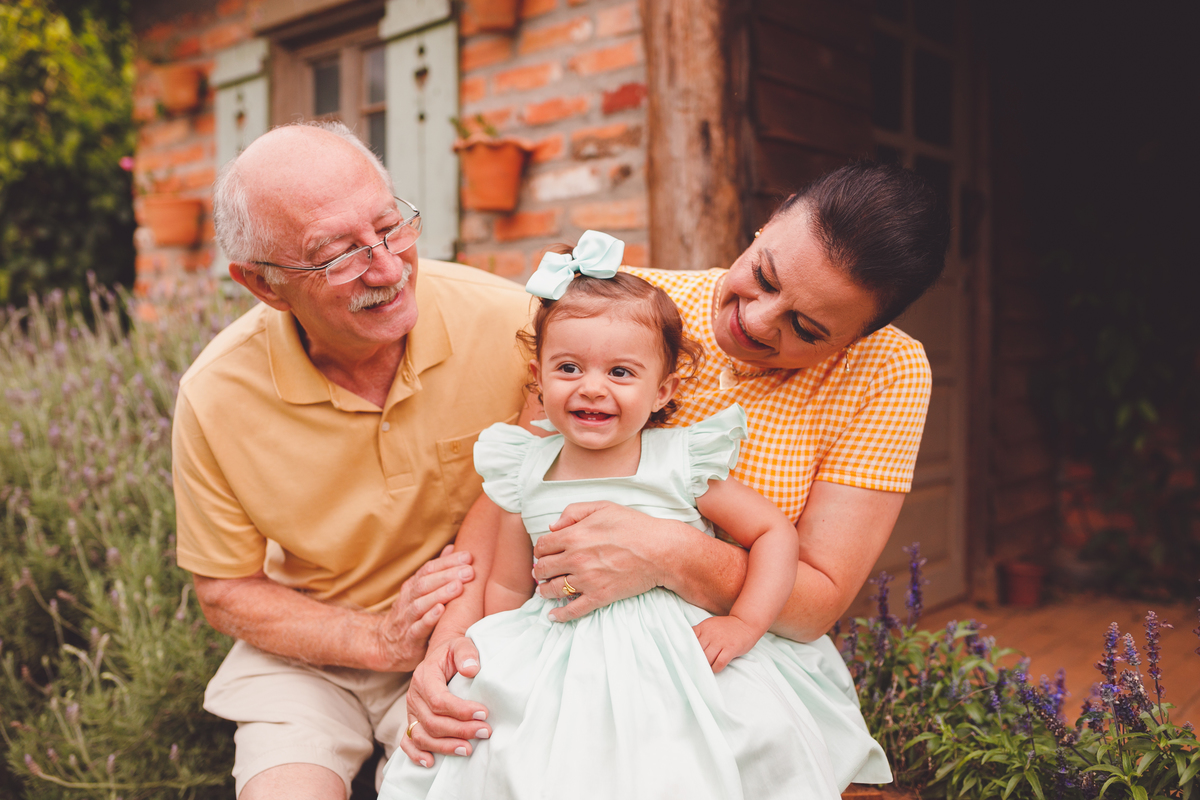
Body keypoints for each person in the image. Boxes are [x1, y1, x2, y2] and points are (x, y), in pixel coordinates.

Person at [400, 161, 951, 775]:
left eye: (806, 327)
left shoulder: (886, 372)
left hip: (710, 663)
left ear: (860, 337)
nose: (756, 321)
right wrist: (452, 642)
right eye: (764, 276)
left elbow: (817, 597)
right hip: (563, 645)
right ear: (772, 217)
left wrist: (666, 552)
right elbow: (516, 489)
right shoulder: (627, 310)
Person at [171, 120, 537, 799]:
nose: (389, 269)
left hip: (467, 638)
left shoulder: (511, 324)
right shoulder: (215, 395)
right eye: (337, 255)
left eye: (391, 225)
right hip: (311, 655)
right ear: (265, 285)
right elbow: (226, 590)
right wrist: (378, 640)